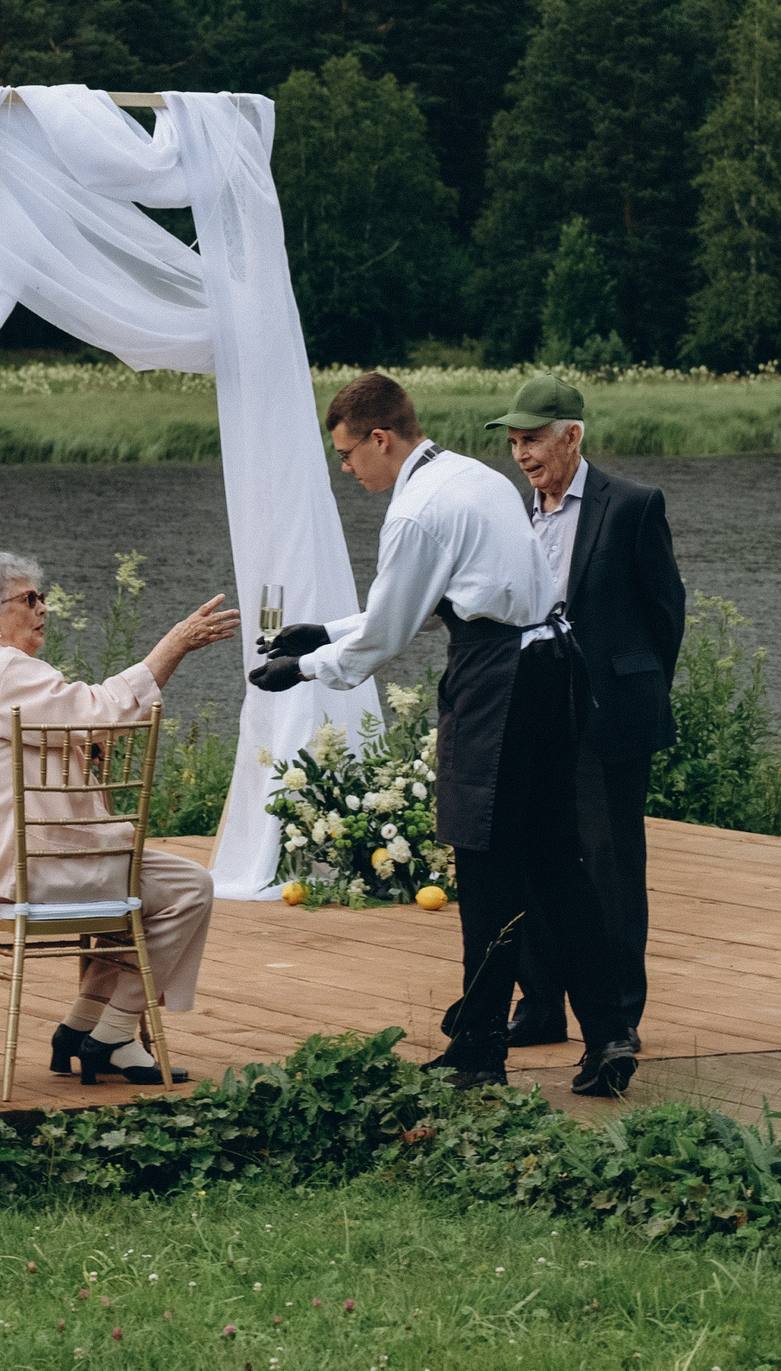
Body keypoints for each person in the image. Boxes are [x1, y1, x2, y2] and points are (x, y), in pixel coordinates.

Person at [250, 371, 636, 1096]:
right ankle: (610, 1031)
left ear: (380, 437)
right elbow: (441, 598)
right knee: (559, 862)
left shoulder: (416, 512)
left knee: (486, 865)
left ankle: (480, 1050)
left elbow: (385, 636)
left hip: (499, 685)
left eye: (347, 453)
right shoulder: (472, 476)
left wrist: (301, 666)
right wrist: (325, 628)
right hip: (555, 668)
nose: (345, 468)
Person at [0, 546, 241, 1085]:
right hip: (24, 869)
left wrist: (77, 749)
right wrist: (175, 644)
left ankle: (80, 1027)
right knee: (189, 887)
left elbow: (69, 726)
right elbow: (104, 711)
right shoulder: (5, 668)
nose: (43, 608)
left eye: (41, 597)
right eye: (29, 599)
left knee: (143, 891)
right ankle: (116, 1032)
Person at [488, 374, 685, 1053]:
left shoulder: (632, 505)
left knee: (610, 866)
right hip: (532, 714)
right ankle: (541, 1006)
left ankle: (619, 1016)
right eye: (513, 442)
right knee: (529, 856)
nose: (522, 454)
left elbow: (665, 618)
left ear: (572, 434)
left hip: (609, 719)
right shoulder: (514, 515)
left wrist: (628, 689)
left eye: (533, 439)